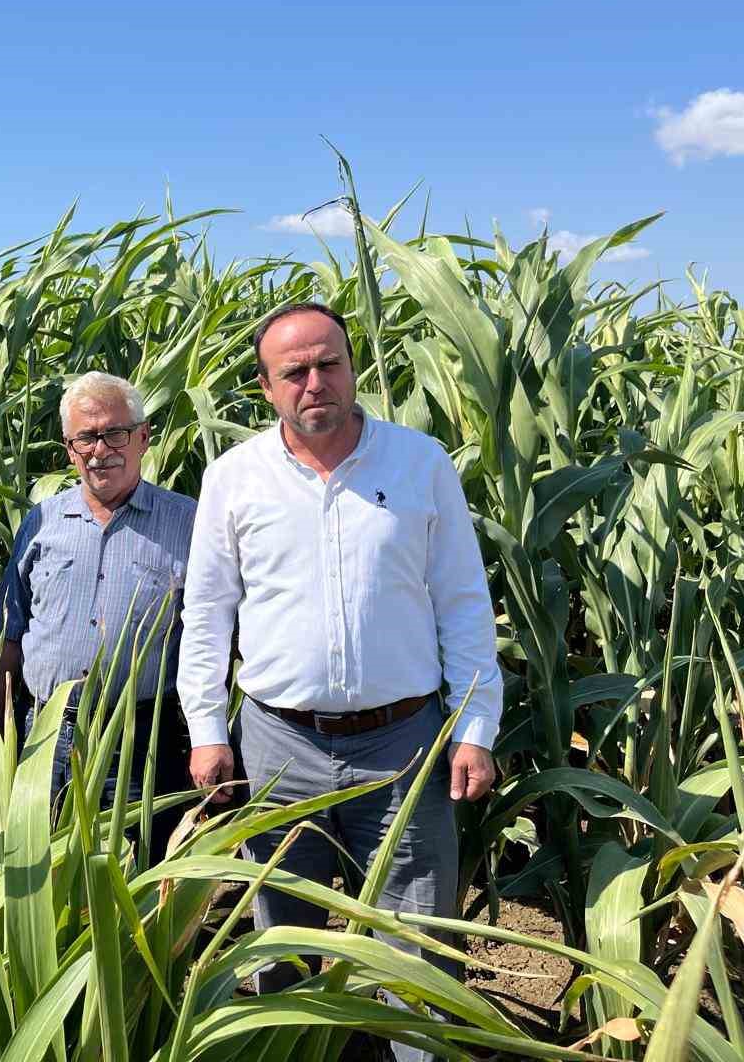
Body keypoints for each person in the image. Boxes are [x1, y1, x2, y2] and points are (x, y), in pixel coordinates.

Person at [178, 302, 501, 1062]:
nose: (316, 382)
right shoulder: (234, 477)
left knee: (416, 937)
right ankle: (292, 1048)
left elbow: (463, 603)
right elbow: (207, 614)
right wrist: (205, 730)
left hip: (407, 743)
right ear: (267, 387)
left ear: (353, 369)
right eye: (295, 371)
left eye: (330, 364)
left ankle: (415, 1053)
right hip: (278, 744)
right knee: (279, 930)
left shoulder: (420, 464)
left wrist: (475, 727)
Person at [0, 372, 195, 858]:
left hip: (140, 738)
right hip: (44, 734)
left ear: (143, 438)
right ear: (69, 448)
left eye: (115, 433)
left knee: (138, 874)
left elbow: (215, 635)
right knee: (39, 873)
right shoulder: (42, 522)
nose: (101, 449)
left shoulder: (189, 521)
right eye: (86, 437)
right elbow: (10, 632)